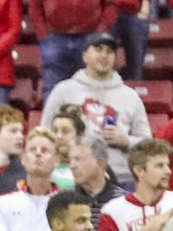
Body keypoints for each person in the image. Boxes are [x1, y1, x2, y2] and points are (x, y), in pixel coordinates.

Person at [41, 32, 153, 189]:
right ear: (85, 55)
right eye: (98, 49)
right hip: (73, 177)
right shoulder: (63, 91)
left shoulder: (130, 96)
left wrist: (126, 140)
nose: (104, 55)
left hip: (120, 178)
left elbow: (148, 144)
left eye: (109, 51)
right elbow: (44, 134)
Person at [69, 134, 126, 229]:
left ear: (101, 164)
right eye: (70, 160)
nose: (72, 166)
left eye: (78, 160)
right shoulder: (65, 199)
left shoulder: (121, 200)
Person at [49, 105, 85, 189]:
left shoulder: (91, 167)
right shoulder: (43, 163)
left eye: (65, 131)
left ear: (79, 135)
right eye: (54, 131)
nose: (59, 136)